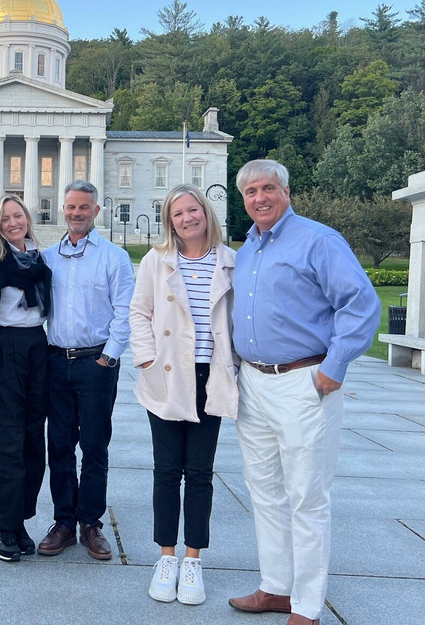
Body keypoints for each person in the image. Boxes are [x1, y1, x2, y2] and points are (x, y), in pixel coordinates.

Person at [228, 160, 380, 625]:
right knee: (265, 491)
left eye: (268, 188)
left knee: (306, 495)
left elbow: (360, 303)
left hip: (303, 381)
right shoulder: (249, 247)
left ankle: (308, 606)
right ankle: (276, 586)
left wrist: (333, 369)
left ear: (287, 191)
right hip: (253, 383)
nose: (260, 198)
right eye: (251, 191)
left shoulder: (318, 239)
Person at [129, 184, 239, 605]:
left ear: (206, 212)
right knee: (165, 470)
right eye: (178, 214)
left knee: (200, 472)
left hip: (210, 376)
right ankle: (167, 556)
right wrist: (145, 357)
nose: (187, 218)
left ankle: (193, 559)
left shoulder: (231, 262)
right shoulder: (157, 261)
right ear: (169, 222)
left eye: (193, 210)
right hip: (167, 375)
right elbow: (140, 310)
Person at [38, 180, 134, 561]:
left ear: (96, 211)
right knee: (59, 445)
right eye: (70, 207)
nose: (76, 213)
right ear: (63, 209)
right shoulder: (47, 257)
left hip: (97, 363)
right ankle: (63, 520)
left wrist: (108, 357)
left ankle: (91, 522)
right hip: (56, 362)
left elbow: (125, 311)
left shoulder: (114, 257)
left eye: (84, 207)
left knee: (94, 445)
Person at [0, 195, 52, 562]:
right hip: (2, 349)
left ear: (27, 218)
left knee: (34, 440)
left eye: (17, 215)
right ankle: (3, 526)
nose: (13, 223)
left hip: (37, 347)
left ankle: (20, 521)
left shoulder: (41, 261)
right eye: (5, 219)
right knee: (7, 441)